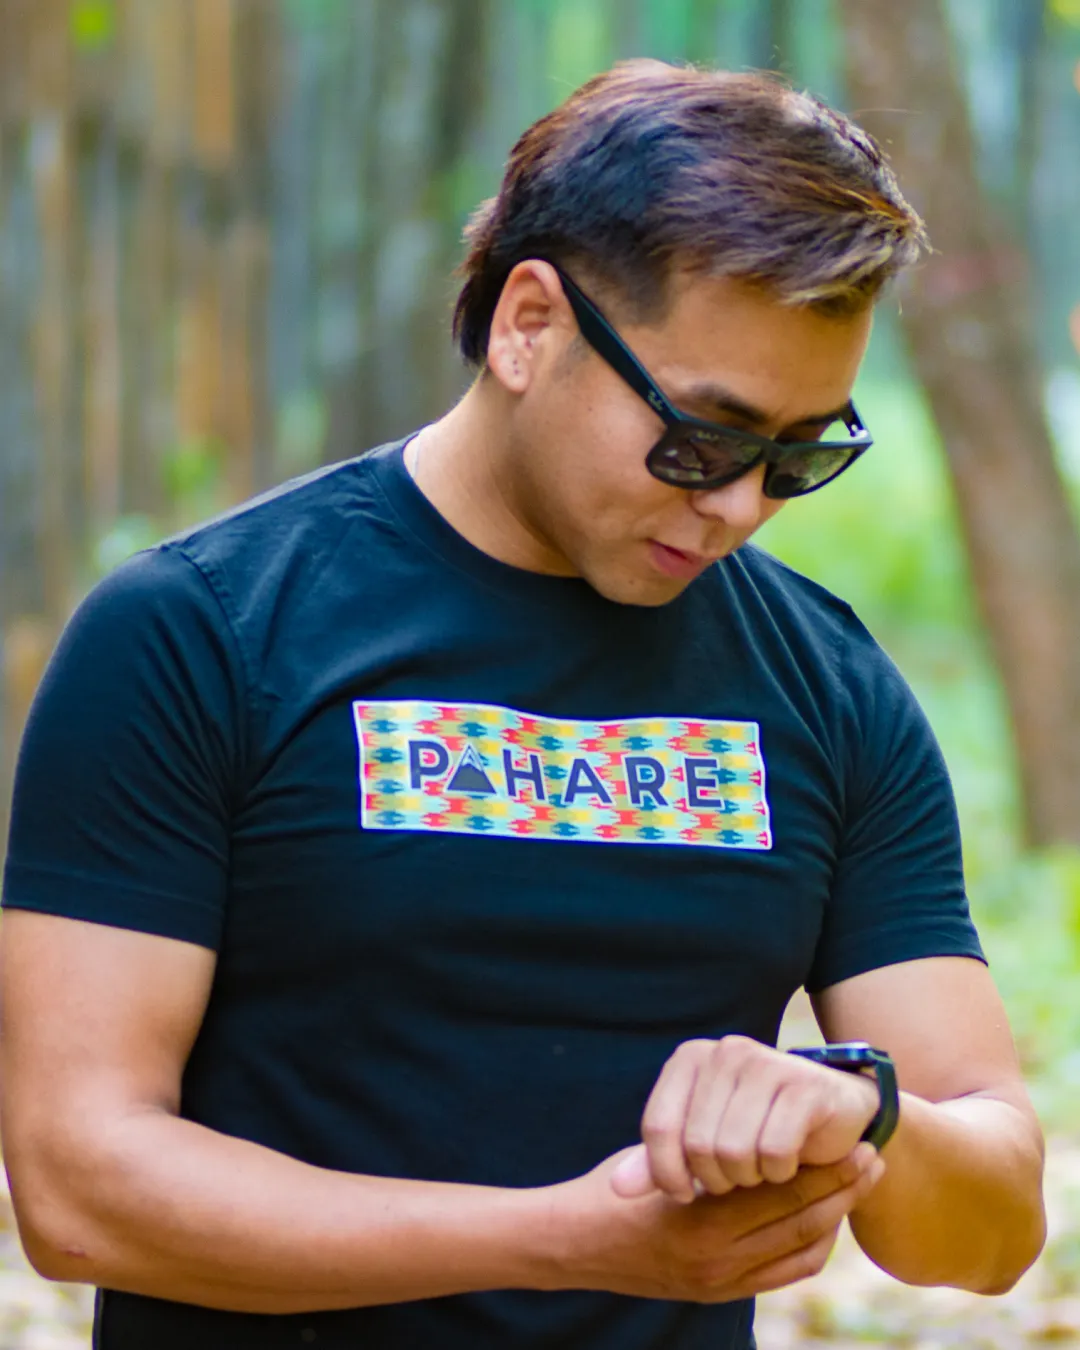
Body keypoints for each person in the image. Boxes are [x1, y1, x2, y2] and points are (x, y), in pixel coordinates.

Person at [0, 60, 1045, 1350]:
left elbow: (996, 1221)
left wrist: (869, 1115)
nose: (739, 506)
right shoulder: (199, 632)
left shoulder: (826, 685)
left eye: (800, 457)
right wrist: (567, 1238)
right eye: (702, 439)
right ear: (530, 325)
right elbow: (79, 1189)